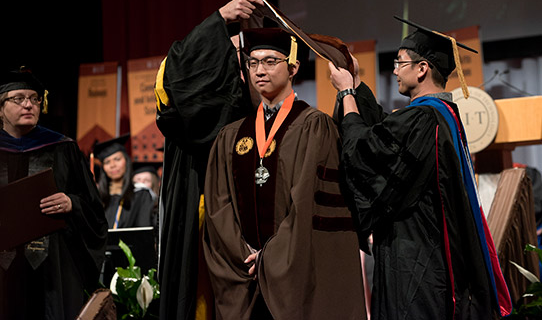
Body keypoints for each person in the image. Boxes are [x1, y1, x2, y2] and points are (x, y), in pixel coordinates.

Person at [328, 17, 512, 319]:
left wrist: (347, 94)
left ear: (422, 68)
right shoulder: (441, 116)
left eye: (400, 63)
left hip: (416, 260)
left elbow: (365, 150)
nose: (395, 71)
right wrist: (358, 85)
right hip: (430, 253)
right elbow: (387, 136)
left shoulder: (423, 118)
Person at [203, 27, 366, 319]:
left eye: (270, 61)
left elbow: (308, 204)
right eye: (252, 63)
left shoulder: (314, 126)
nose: (259, 71)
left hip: (294, 278)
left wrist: (271, 258)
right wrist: (243, 255)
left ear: (293, 68)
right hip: (245, 277)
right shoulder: (231, 136)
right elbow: (218, 207)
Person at [154, 0, 261, 320]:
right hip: (201, 201)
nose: (254, 69)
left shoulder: (288, 122)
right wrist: (221, 19)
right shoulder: (198, 114)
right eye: (245, 59)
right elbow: (179, 74)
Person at [0, 68, 108, 320]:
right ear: (0, 109)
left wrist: (71, 203)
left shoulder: (62, 148)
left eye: (34, 99)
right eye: (19, 98)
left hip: (53, 267)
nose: (28, 105)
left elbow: (94, 210)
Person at [94, 135, 157, 229]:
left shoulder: (141, 194)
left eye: (117, 159)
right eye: (107, 162)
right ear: (103, 168)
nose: (112, 165)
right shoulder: (97, 197)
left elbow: (143, 231)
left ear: (126, 161)